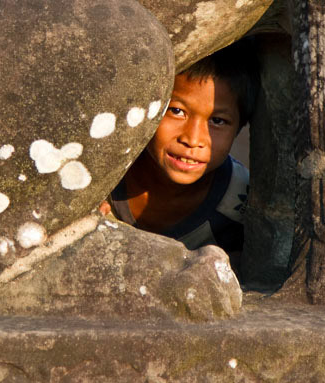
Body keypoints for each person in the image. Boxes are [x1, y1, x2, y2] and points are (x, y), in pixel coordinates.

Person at [101, 39, 258, 267]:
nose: (192, 139)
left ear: (240, 128)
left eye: (217, 121)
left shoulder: (240, 203)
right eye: (176, 111)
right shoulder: (104, 179)